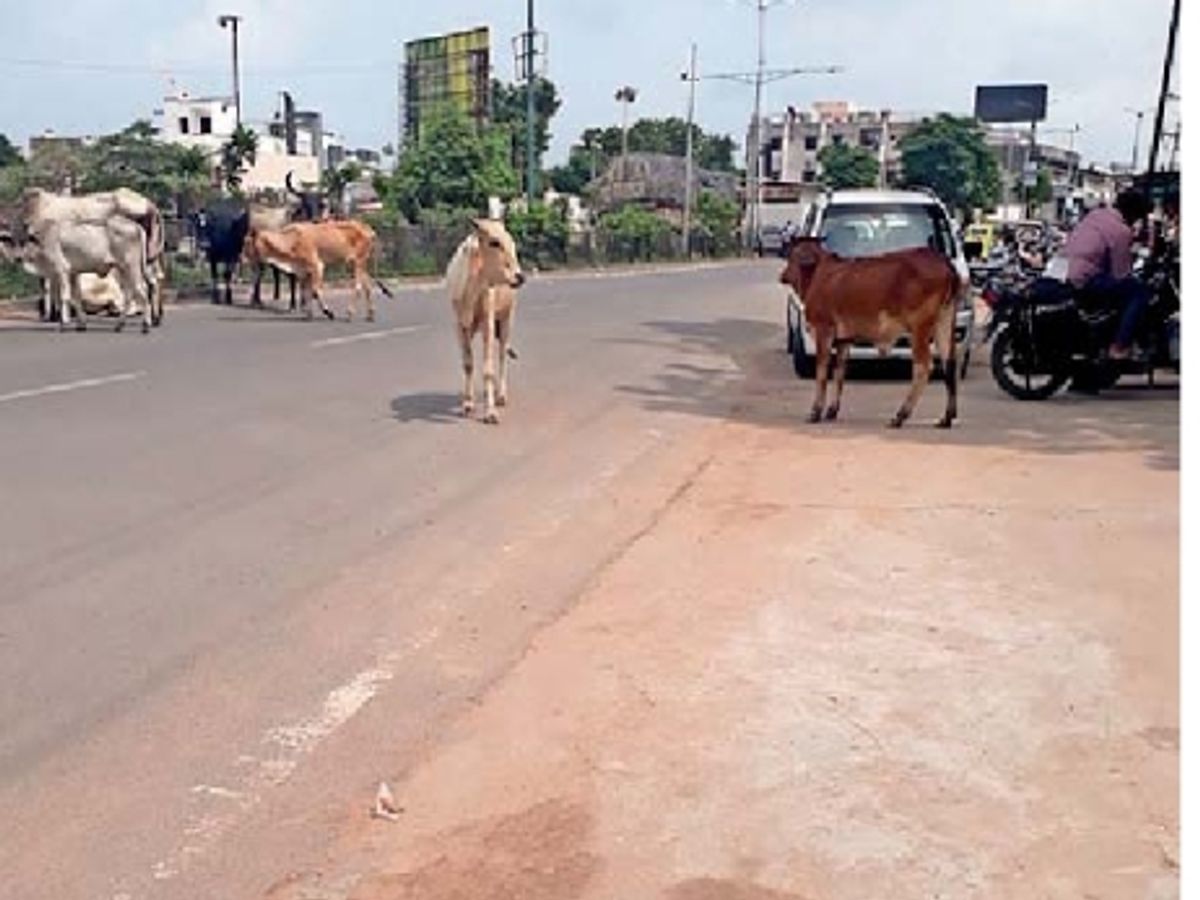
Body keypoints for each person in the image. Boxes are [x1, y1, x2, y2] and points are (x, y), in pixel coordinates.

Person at [1062, 189, 1152, 359]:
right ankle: (1120, 346)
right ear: (1133, 213)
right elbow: (1121, 273)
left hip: (1067, 271)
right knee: (1139, 292)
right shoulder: (1120, 230)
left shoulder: (1095, 215)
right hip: (1087, 278)